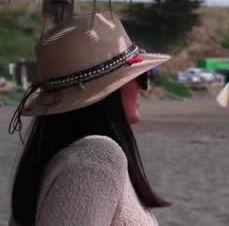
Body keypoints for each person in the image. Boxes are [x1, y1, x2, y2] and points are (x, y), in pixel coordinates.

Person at [9, 13, 170, 225]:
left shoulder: (60, 154)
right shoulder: (95, 159)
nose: (143, 88)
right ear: (110, 92)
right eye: (139, 77)